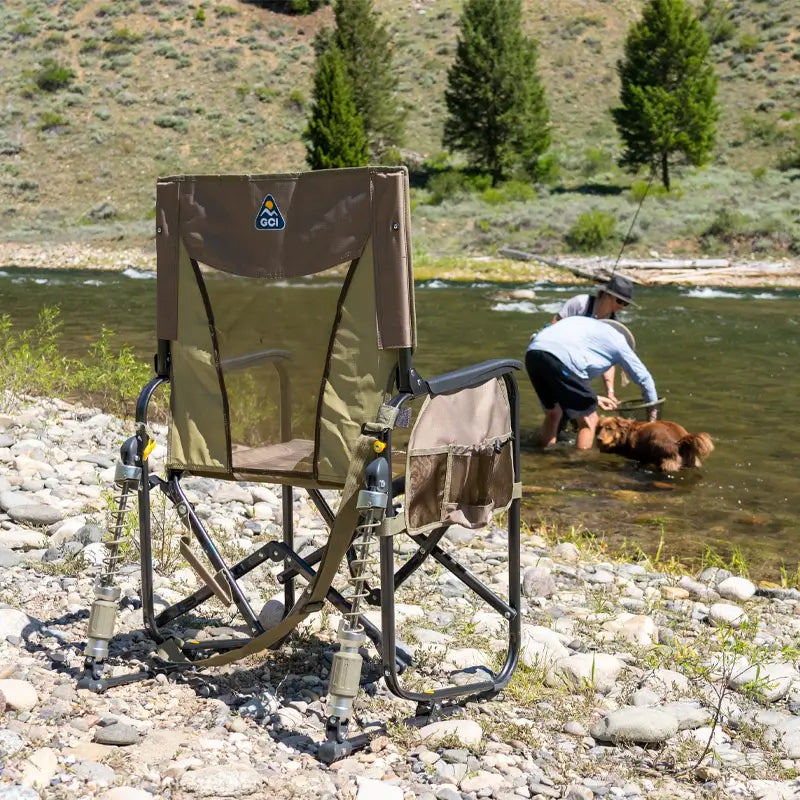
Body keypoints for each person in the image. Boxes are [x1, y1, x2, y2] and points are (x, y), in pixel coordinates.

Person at [525, 316, 658, 450]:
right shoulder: (620, 342)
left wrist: (593, 398)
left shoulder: (583, 325)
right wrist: (653, 422)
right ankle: (580, 464)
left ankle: (544, 454)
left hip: (533, 354)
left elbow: (570, 385)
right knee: (590, 420)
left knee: (554, 412)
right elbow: (645, 379)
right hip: (561, 359)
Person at [549, 274, 638, 406]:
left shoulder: (612, 325)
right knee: (558, 409)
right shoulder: (580, 303)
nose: (622, 306)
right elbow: (553, 327)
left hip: (579, 366)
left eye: (625, 304)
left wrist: (610, 392)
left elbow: (608, 361)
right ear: (606, 295)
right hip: (557, 357)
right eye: (620, 301)